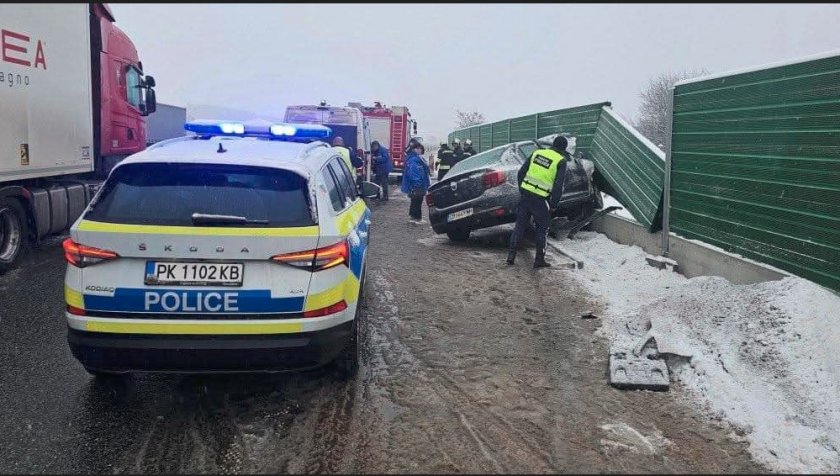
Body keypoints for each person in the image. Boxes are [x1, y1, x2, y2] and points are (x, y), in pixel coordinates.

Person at [506, 135, 570, 268]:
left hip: (525, 196)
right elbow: (558, 186)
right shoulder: (560, 161)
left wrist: (522, 189)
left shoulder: (537, 153)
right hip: (541, 200)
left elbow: (521, 172)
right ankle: (539, 260)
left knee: (519, 226)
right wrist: (553, 205)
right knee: (543, 229)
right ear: (564, 149)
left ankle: (511, 256)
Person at [401, 142, 431, 223]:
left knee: (415, 201)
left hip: (418, 184)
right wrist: (417, 184)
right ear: (415, 149)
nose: (420, 150)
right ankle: (417, 218)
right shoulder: (414, 160)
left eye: (421, 149)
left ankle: (414, 217)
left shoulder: (416, 158)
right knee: (417, 201)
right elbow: (413, 173)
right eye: (419, 149)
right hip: (417, 185)